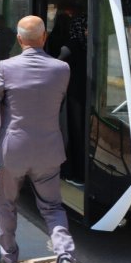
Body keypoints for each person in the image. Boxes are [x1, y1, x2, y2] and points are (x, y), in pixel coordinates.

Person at [0, 15, 77, 263]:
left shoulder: (6, 67)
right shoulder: (62, 69)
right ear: (44, 38)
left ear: (19, 39)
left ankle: (9, 257)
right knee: (52, 208)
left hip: (13, 151)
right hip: (49, 151)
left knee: (7, 204)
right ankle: (65, 256)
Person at [57, 14, 87, 184]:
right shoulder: (70, 47)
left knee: (80, 133)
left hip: (82, 96)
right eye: (85, 28)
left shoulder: (85, 44)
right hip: (72, 99)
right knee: (73, 132)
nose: (88, 31)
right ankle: (72, 172)